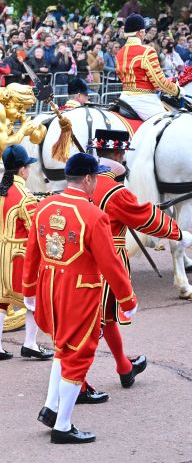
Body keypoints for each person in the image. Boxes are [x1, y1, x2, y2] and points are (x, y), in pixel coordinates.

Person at [22, 153, 138, 444]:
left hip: (49, 287)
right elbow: (111, 264)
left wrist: (28, 290)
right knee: (78, 356)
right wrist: (127, 300)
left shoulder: (45, 205)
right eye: (95, 177)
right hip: (80, 291)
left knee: (62, 349)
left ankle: (51, 407)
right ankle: (62, 426)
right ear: (88, 179)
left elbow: (32, 252)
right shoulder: (94, 215)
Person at [86, 130, 189, 394]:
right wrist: (180, 234)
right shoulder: (116, 191)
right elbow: (147, 218)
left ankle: (123, 367)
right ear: (120, 154)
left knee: (106, 317)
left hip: (77, 255)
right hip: (105, 261)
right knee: (90, 326)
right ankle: (75, 382)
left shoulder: (81, 181)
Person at [0, 146, 53, 362]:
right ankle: (30, 344)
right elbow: (35, 230)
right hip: (18, 254)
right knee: (32, 299)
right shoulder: (25, 196)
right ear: (23, 170)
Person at [115, 13, 179, 120]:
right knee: (169, 125)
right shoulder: (147, 51)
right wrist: (177, 91)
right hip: (144, 101)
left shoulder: (119, 53)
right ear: (140, 32)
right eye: (144, 31)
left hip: (124, 98)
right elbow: (159, 83)